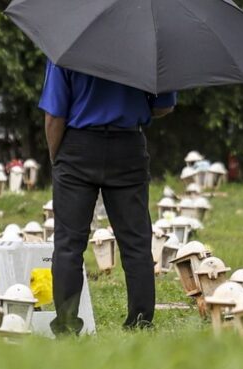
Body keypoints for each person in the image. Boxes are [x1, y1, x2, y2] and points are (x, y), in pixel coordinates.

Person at [40, 61, 176, 334]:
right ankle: (140, 324)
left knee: (68, 244)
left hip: (78, 146)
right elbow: (164, 105)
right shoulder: (147, 46)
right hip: (128, 146)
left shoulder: (68, 45)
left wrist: (58, 158)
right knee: (136, 242)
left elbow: (55, 115)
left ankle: (66, 328)